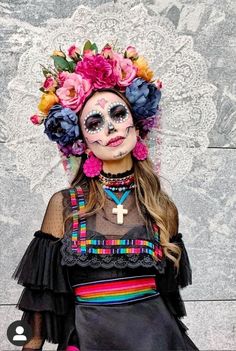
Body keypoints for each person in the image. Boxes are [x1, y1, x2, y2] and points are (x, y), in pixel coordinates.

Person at [12, 41, 199, 350]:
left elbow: (168, 301)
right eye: (95, 122)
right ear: (82, 140)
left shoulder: (163, 208)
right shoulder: (65, 205)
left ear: (137, 126)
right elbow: (39, 305)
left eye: (118, 114)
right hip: (90, 340)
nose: (111, 128)